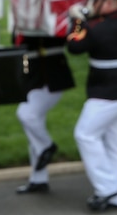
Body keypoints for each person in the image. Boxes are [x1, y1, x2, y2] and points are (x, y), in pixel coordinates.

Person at [67, 0, 117, 212]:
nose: (90, 5)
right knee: (113, 144)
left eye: (94, 1)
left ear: (108, 2)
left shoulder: (100, 28)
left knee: (85, 134)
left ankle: (106, 188)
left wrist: (77, 20)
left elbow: (75, 46)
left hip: (108, 92)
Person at [13, 33, 76, 194]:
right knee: (34, 123)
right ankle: (38, 179)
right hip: (34, 76)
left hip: (51, 76)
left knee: (27, 115)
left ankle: (47, 147)